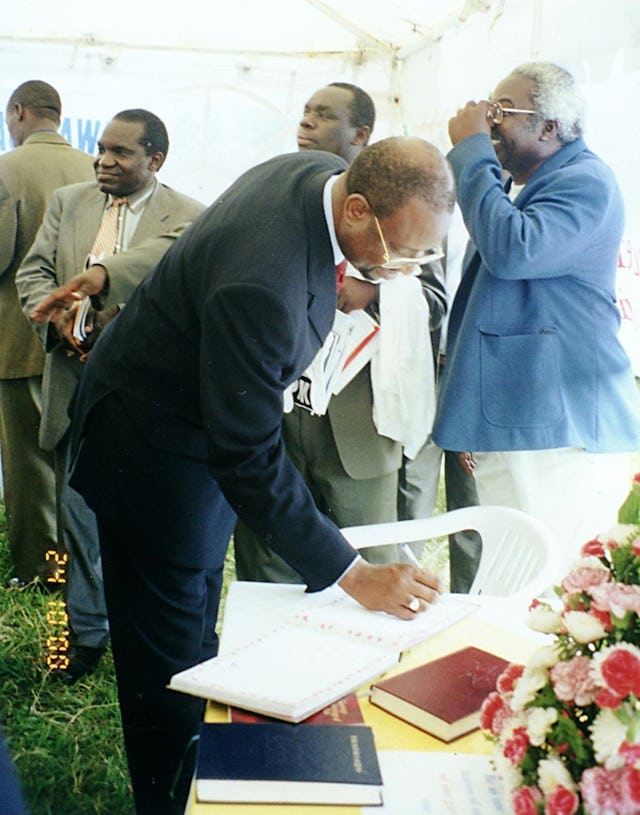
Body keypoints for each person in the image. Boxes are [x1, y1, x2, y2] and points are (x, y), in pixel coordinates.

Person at [32, 136, 454, 815]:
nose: (402, 272)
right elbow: (249, 454)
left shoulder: (316, 175)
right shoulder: (264, 284)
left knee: (197, 625)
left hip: (191, 424)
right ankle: (170, 794)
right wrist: (353, 571)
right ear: (352, 208)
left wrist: (341, 284)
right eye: (400, 253)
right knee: (166, 660)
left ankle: (204, 765)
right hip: (151, 453)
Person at [17, 109, 204, 683]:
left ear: (156, 161)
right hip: (72, 388)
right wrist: (57, 328)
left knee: (140, 522)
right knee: (74, 518)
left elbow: (180, 298)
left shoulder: (190, 217)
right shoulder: (69, 202)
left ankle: (138, 629)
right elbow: (34, 276)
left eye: (121, 153)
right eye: (101, 149)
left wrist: (111, 320)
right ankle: (82, 631)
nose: (104, 161)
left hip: (143, 402)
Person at [432, 62, 640, 577]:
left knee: (538, 586)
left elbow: (512, 250)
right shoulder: (532, 184)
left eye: (502, 111)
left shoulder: (585, 181)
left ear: (551, 127)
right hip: (525, 419)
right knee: (510, 580)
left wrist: (472, 152)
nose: (488, 121)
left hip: (559, 428)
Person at [233, 82, 446, 581]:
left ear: (361, 134)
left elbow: (435, 299)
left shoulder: (409, 201)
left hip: (357, 426)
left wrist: (372, 290)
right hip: (281, 415)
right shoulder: (281, 199)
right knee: (270, 560)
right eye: (306, 111)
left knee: (369, 559)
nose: (306, 122)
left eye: (324, 115)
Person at [0, 80, 94, 587]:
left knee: (29, 464)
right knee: (72, 457)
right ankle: (78, 562)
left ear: (18, 112)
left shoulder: (6, 170)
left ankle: (42, 569)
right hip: (84, 336)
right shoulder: (95, 166)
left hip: (19, 338)